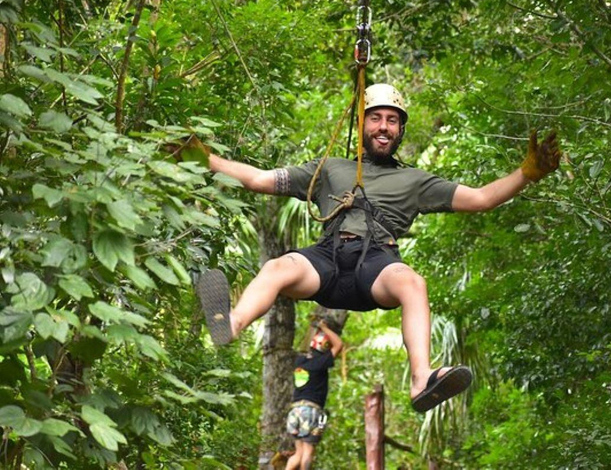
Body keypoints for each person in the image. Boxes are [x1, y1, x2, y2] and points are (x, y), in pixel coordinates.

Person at [194, 83, 561, 412]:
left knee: (412, 283)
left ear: (401, 130)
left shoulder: (415, 180)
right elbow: (259, 179)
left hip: (376, 263)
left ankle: (422, 378)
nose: (384, 127)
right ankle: (233, 323)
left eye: (392, 120)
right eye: (375, 118)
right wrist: (204, 158)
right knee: (276, 268)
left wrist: (526, 174)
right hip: (327, 258)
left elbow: (481, 198)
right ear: (361, 125)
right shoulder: (329, 168)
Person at [285, 319, 342, 470]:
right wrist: (324, 328)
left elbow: (305, 347)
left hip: (294, 411)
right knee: (308, 453)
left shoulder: (300, 361)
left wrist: (314, 329)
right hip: (310, 411)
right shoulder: (321, 362)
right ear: (325, 347)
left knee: (298, 453)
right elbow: (339, 345)